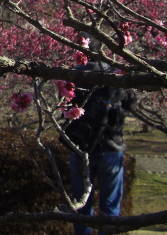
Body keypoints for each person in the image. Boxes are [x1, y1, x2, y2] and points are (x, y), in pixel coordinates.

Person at [64, 55, 136, 235]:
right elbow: (130, 105)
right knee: (110, 207)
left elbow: (65, 106)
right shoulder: (116, 75)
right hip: (111, 147)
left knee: (81, 207)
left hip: (81, 146)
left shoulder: (74, 75)